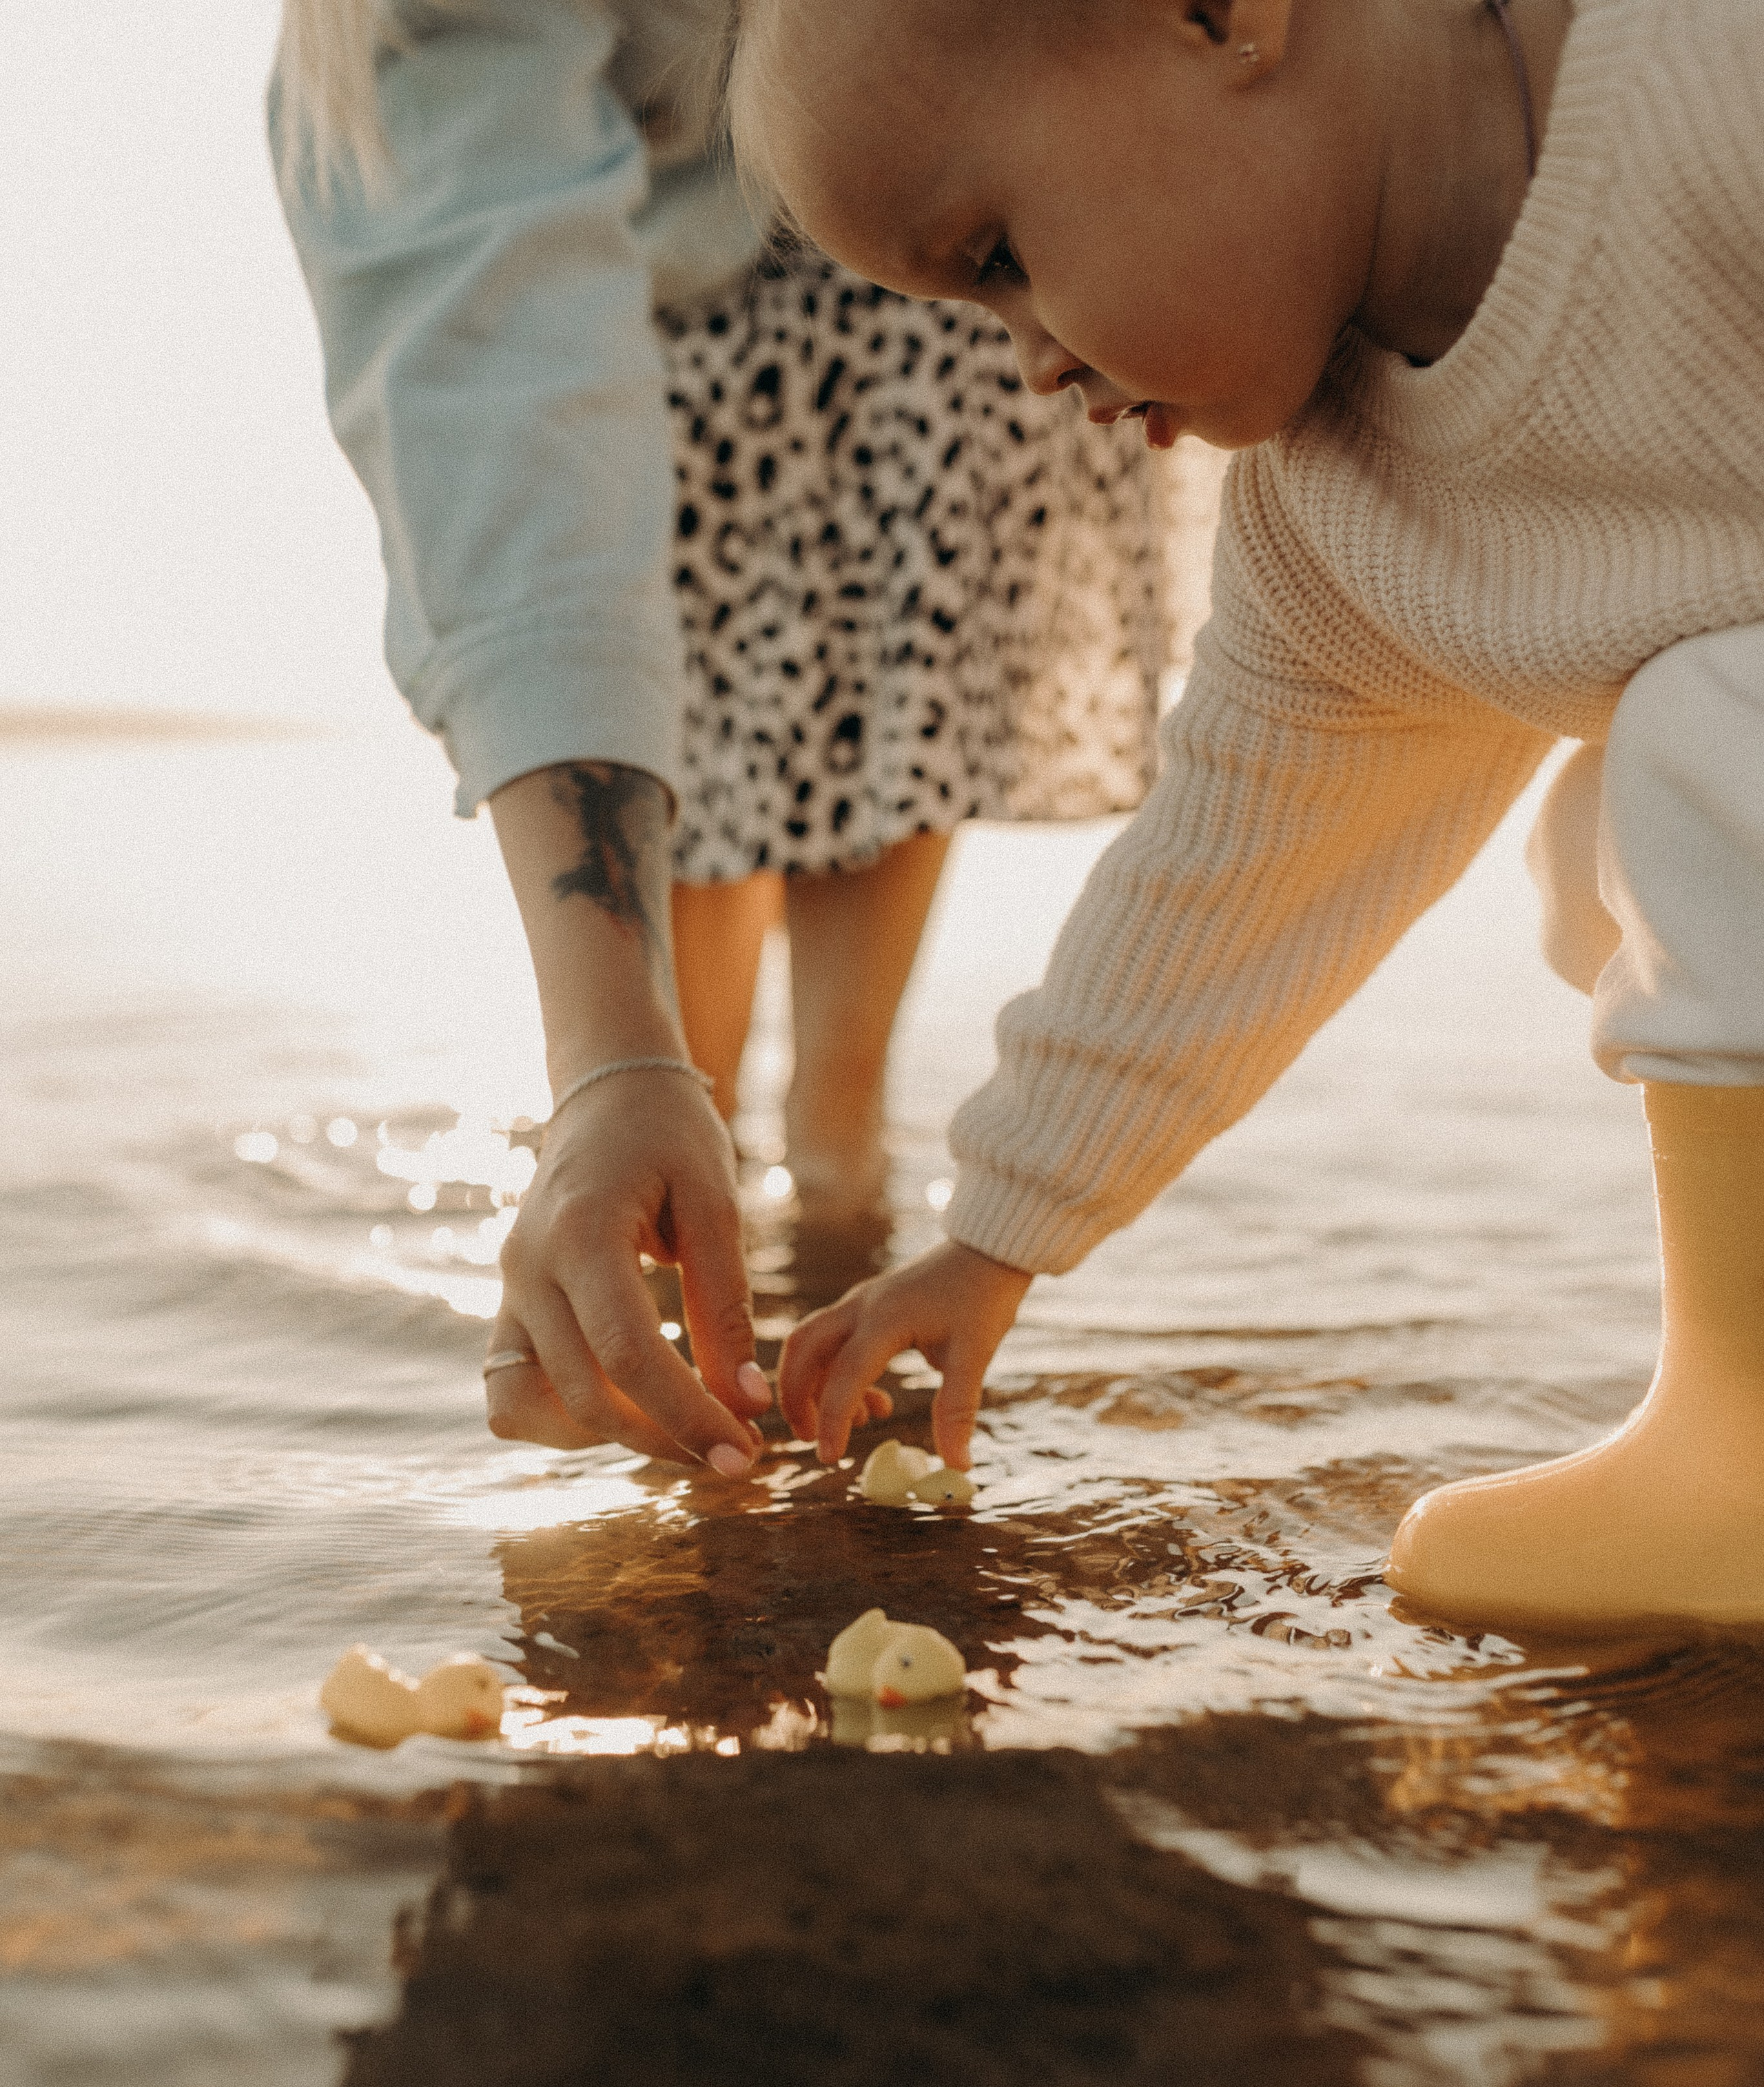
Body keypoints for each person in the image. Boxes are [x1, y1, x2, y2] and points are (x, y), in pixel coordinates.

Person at [736, 0, 1764, 1630]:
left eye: (996, 252)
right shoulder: (1341, 524)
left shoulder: (1703, 78)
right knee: (1612, 857)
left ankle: (1746, 1450)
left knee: (1709, 752)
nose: (1027, 364)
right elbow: (1229, 878)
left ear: (1221, 13)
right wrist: (993, 1233)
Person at [271, 0, 1171, 1472]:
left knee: (872, 819)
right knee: (690, 965)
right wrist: (610, 1052)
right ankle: (714, 1203)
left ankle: (829, 1211)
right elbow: (485, 345)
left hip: (939, 256)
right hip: (669, 304)